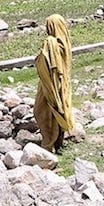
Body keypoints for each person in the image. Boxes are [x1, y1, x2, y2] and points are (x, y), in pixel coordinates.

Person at [32, 14, 74, 151]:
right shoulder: (65, 42)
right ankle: (59, 143)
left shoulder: (51, 42)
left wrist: (38, 59)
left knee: (42, 110)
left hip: (50, 83)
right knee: (59, 110)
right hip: (62, 83)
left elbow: (45, 61)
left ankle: (49, 143)